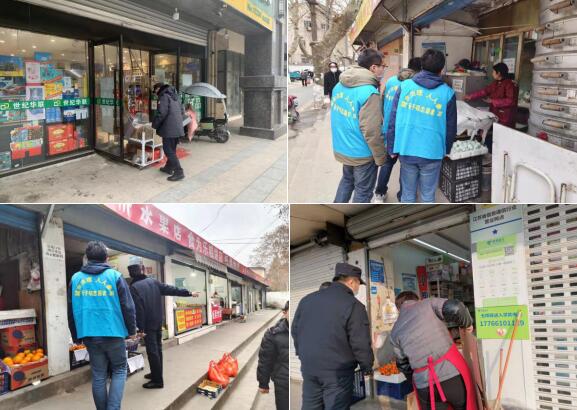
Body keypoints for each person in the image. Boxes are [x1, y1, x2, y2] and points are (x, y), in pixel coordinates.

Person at [292, 263, 374, 409]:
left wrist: (302, 354)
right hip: (337, 373)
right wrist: (366, 366)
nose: (358, 288)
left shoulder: (307, 300)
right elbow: (360, 342)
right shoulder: (354, 305)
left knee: (311, 406)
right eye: (358, 284)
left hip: (309, 367)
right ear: (352, 281)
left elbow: (295, 330)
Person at [68, 241, 137, 410]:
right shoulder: (115, 276)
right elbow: (128, 307)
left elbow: (71, 310)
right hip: (113, 332)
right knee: (119, 370)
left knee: (99, 375)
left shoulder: (75, 279)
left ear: (87, 258)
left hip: (89, 334)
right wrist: (132, 331)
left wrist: (76, 336)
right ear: (106, 258)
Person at [386, 49, 457, 203]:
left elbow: (393, 119)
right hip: (432, 152)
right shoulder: (448, 93)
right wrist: (446, 149)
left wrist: (391, 146)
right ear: (441, 69)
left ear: (422, 66)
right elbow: (451, 127)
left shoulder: (404, 86)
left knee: (407, 195)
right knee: (428, 196)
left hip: (406, 148)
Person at [390, 291, 477, 410]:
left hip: (424, 387)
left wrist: (418, 379)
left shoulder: (394, 331)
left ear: (398, 309)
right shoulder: (428, 303)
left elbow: (403, 365)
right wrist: (467, 324)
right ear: (417, 300)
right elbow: (456, 308)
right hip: (452, 376)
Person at [128, 256, 198, 389]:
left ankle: (157, 381)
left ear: (131, 273)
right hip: (158, 321)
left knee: (152, 351)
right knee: (158, 349)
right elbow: (171, 289)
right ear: (142, 269)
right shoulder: (153, 282)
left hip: (147, 325)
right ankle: (156, 373)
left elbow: (139, 310)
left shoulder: (134, 287)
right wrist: (189, 293)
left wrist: (140, 329)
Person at [331, 48, 387, 203]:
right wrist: (380, 157)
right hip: (362, 153)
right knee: (363, 192)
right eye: (383, 66)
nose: (384, 69)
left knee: (347, 181)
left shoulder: (338, 86)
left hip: (344, 147)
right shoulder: (369, 92)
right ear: (373, 67)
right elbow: (372, 131)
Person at [374, 57, 422, 203]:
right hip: (403, 131)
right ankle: (402, 196)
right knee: (405, 166)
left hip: (388, 129)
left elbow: (382, 102)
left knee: (387, 163)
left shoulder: (391, 80)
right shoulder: (414, 86)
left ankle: (379, 193)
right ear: (420, 70)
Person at [464, 62, 518, 152]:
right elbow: (484, 91)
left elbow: (510, 101)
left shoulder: (509, 84)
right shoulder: (495, 83)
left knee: (503, 139)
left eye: (493, 72)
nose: (492, 73)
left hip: (505, 117)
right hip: (495, 114)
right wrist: (471, 96)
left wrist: (492, 101)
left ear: (498, 73)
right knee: (494, 137)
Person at [257, 301, 289, 410]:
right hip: (282, 383)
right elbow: (265, 360)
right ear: (284, 313)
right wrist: (263, 383)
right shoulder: (273, 334)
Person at [152, 82, 185, 181]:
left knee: (168, 150)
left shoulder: (164, 97)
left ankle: (179, 172)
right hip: (177, 128)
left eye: (155, 91)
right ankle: (169, 167)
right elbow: (182, 111)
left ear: (158, 88)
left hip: (169, 129)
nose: (155, 93)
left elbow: (161, 113)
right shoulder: (175, 96)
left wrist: (154, 124)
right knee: (172, 149)